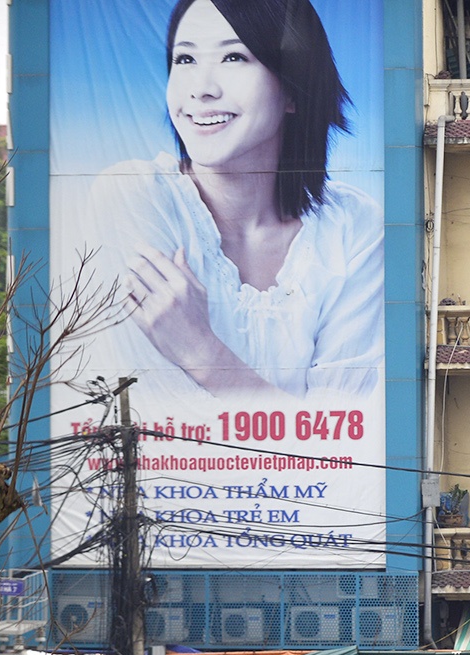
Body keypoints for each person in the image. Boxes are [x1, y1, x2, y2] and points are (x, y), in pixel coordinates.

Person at [83, 0, 383, 401]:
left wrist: (202, 353)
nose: (202, 89)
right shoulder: (131, 195)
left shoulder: (354, 226)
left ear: (293, 88)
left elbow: (345, 430)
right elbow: (157, 419)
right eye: (185, 58)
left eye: (234, 56)